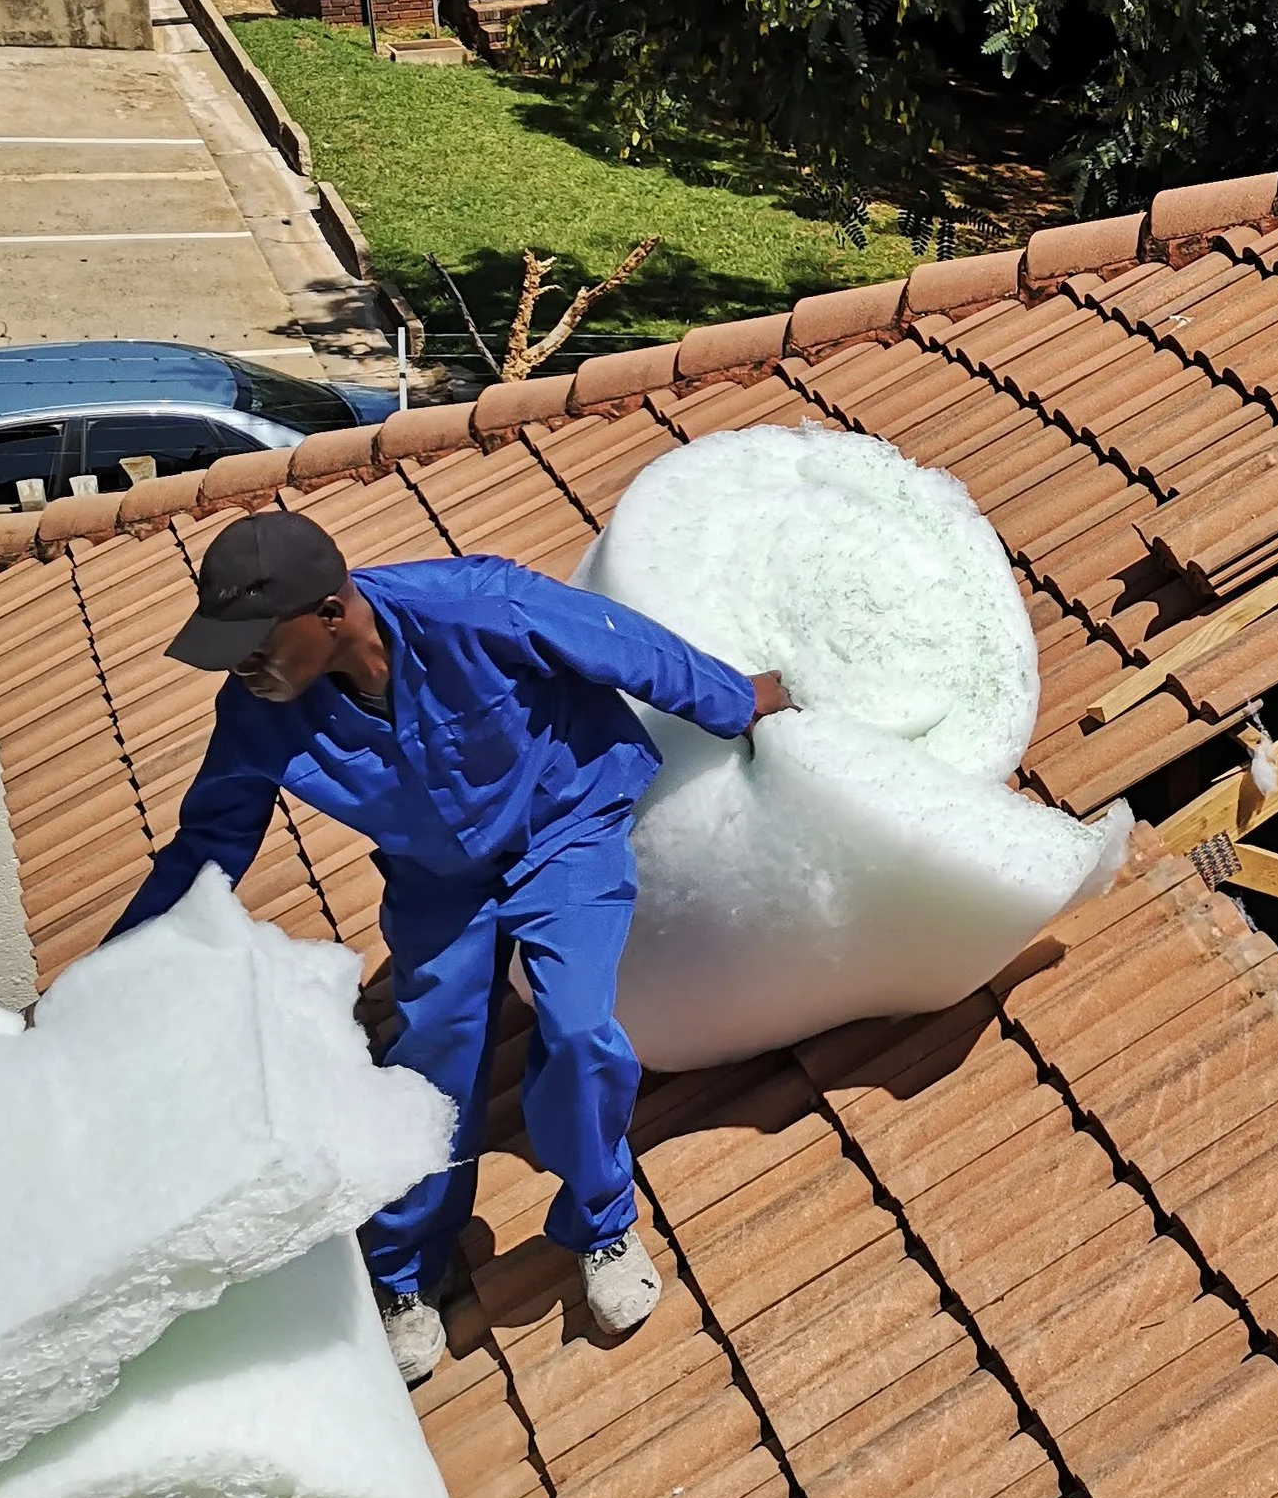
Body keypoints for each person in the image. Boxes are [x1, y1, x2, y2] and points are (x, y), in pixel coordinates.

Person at [112, 508, 789, 1387]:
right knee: (432, 1061)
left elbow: (623, 647)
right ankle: (403, 1272)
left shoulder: (476, 606)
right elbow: (209, 842)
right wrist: (115, 970)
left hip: (564, 825)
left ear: (328, 612)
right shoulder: (257, 715)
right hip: (440, 878)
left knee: (579, 1026)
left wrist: (742, 701)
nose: (241, 667)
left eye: (254, 642)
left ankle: (602, 1218)